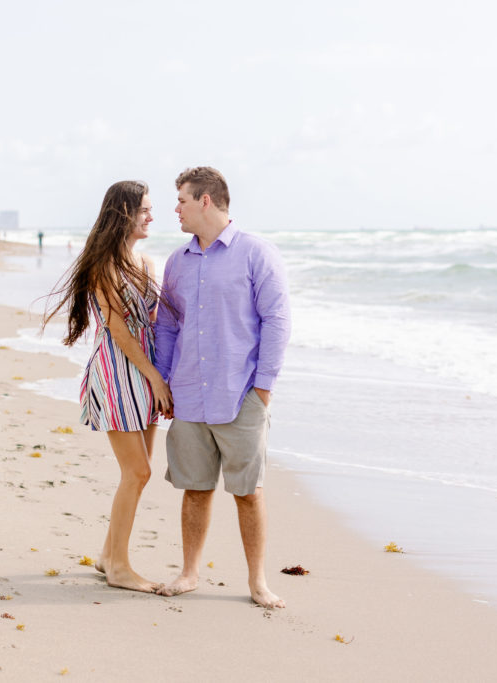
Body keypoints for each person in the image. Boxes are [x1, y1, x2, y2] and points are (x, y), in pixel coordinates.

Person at [154, 167, 291, 608]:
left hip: (241, 394)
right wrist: (164, 379)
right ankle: (189, 573)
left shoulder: (257, 254)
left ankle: (257, 583)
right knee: (196, 488)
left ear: (206, 200)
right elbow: (169, 327)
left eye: (181, 200)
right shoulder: (177, 261)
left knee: (248, 492)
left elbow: (277, 321)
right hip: (189, 392)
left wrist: (264, 388)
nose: (175, 209)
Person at [43, 180, 173, 593]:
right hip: (119, 371)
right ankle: (119, 567)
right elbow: (117, 329)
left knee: (140, 473)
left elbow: (155, 324)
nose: (152, 216)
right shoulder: (105, 266)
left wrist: (163, 375)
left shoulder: (147, 263)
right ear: (124, 213)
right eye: (145, 210)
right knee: (136, 471)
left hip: (147, 371)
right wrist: (153, 376)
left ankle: (107, 556)